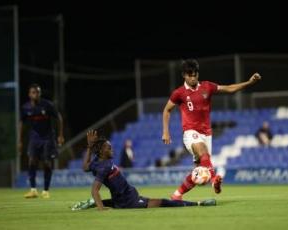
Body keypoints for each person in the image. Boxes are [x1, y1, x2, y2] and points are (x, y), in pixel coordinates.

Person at [162, 59, 261, 200]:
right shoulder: (179, 93)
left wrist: (250, 82)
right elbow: (167, 110)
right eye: (189, 75)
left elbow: (230, 88)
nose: (193, 78)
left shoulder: (207, 87)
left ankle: (177, 195)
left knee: (200, 172)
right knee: (202, 153)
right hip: (190, 133)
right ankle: (214, 179)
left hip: (207, 134)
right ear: (184, 75)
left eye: (195, 74)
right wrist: (166, 131)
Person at [71, 130, 216, 211]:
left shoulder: (98, 162)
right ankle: (199, 204)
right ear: (102, 151)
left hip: (123, 197)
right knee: (163, 203)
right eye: (109, 148)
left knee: (117, 202)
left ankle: (92, 203)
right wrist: (101, 208)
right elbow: (95, 189)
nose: (112, 149)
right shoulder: (104, 166)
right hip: (130, 201)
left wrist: (90, 148)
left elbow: (85, 167)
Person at [18, 83, 64, 199]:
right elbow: (21, 122)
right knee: (31, 161)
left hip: (48, 137)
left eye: (38, 92)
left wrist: (60, 135)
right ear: (29, 94)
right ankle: (33, 190)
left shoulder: (47, 105)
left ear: (40, 94)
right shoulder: (26, 107)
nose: (36, 94)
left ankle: (45, 190)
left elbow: (58, 117)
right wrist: (19, 140)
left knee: (47, 163)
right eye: (33, 92)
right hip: (34, 137)